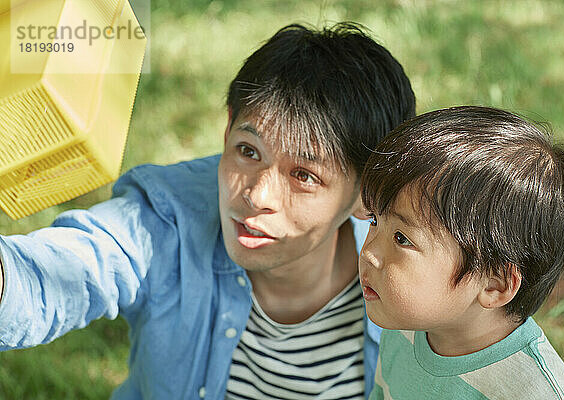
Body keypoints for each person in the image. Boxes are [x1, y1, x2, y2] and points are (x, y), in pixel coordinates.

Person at [0, 22, 416, 399]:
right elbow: (61, 270)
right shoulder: (168, 217)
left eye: (304, 175)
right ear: (228, 127)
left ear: (368, 194)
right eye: (248, 151)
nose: (256, 195)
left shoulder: (417, 268)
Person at [359, 106, 564, 400]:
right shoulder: (404, 326)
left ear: (494, 283)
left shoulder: (532, 392)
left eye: (401, 238)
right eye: (373, 220)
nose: (369, 252)